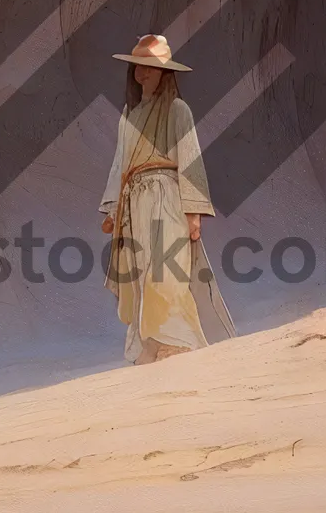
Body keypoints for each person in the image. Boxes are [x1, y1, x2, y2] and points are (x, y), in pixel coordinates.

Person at [99, 34, 236, 364]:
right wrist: (115, 209)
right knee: (142, 271)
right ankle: (152, 341)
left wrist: (193, 212)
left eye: (150, 68)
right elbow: (121, 164)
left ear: (164, 72)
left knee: (167, 269)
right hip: (135, 201)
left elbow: (189, 158)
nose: (142, 74)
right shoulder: (129, 115)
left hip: (167, 195)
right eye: (138, 68)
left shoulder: (178, 109)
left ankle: (177, 340)